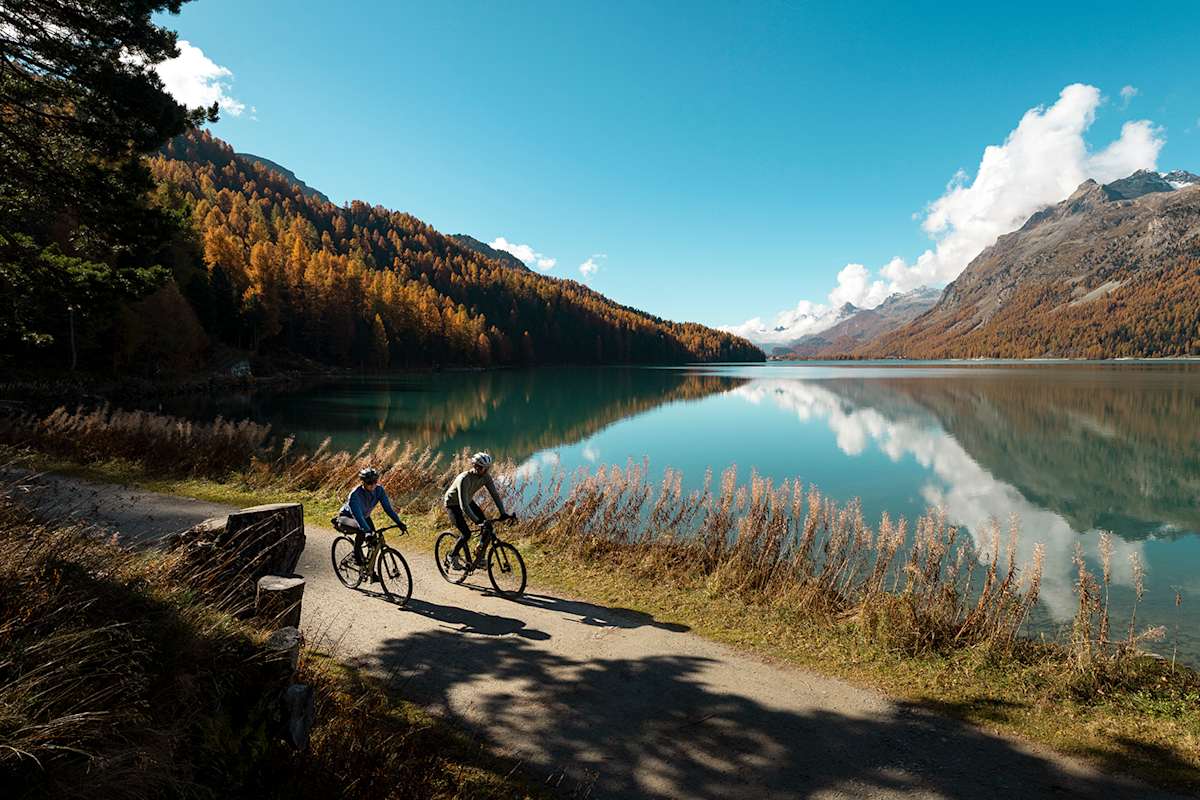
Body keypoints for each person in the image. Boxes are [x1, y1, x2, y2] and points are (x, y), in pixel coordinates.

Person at [444, 452, 513, 569]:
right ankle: (452, 556)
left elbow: (495, 495)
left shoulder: (486, 477)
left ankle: (480, 557)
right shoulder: (464, 479)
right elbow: (463, 505)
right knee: (466, 534)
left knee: (488, 528)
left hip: (468, 500)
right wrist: (477, 521)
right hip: (453, 504)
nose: (484, 471)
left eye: (487, 468)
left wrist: (503, 513)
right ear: (475, 466)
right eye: (482, 468)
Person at [336, 467, 407, 568]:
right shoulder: (354, 495)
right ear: (363, 482)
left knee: (374, 542)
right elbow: (358, 517)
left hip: (364, 517)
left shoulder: (379, 490)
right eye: (369, 482)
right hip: (347, 518)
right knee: (362, 531)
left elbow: (388, 509)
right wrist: (367, 532)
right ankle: (356, 557)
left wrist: (399, 523)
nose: (373, 485)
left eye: (375, 481)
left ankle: (369, 570)